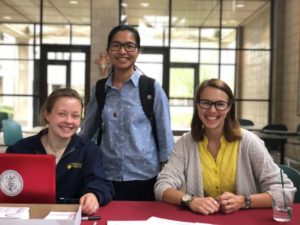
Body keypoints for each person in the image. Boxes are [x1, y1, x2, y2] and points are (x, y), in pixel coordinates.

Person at [154, 78, 294, 214]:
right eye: (205, 103)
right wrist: (190, 200)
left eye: (220, 104)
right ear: (197, 105)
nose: (212, 110)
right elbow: (162, 186)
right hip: (200, 220)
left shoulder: (249, 142)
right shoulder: (185, 143)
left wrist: (243, 201)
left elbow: (285, 192)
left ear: (229, 108)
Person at [80, 24, 174, 200]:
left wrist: (167, 174)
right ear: (108, 51)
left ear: (137, 51)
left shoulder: (151, 88)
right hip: (107, 176)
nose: (122, 51)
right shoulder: (100, 90)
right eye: (116, 45)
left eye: (129, 46)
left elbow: (165, 136)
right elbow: (87, 131)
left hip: (145, 177)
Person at [6, 88, 114, 215]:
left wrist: (94, 194)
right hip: (28, 218)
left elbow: (101, 183)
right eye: (62, 114)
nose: (69, 121)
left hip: (72, 217)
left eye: (75, 116)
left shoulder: (89, 150)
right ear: (47, 115)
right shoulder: (19, 150)